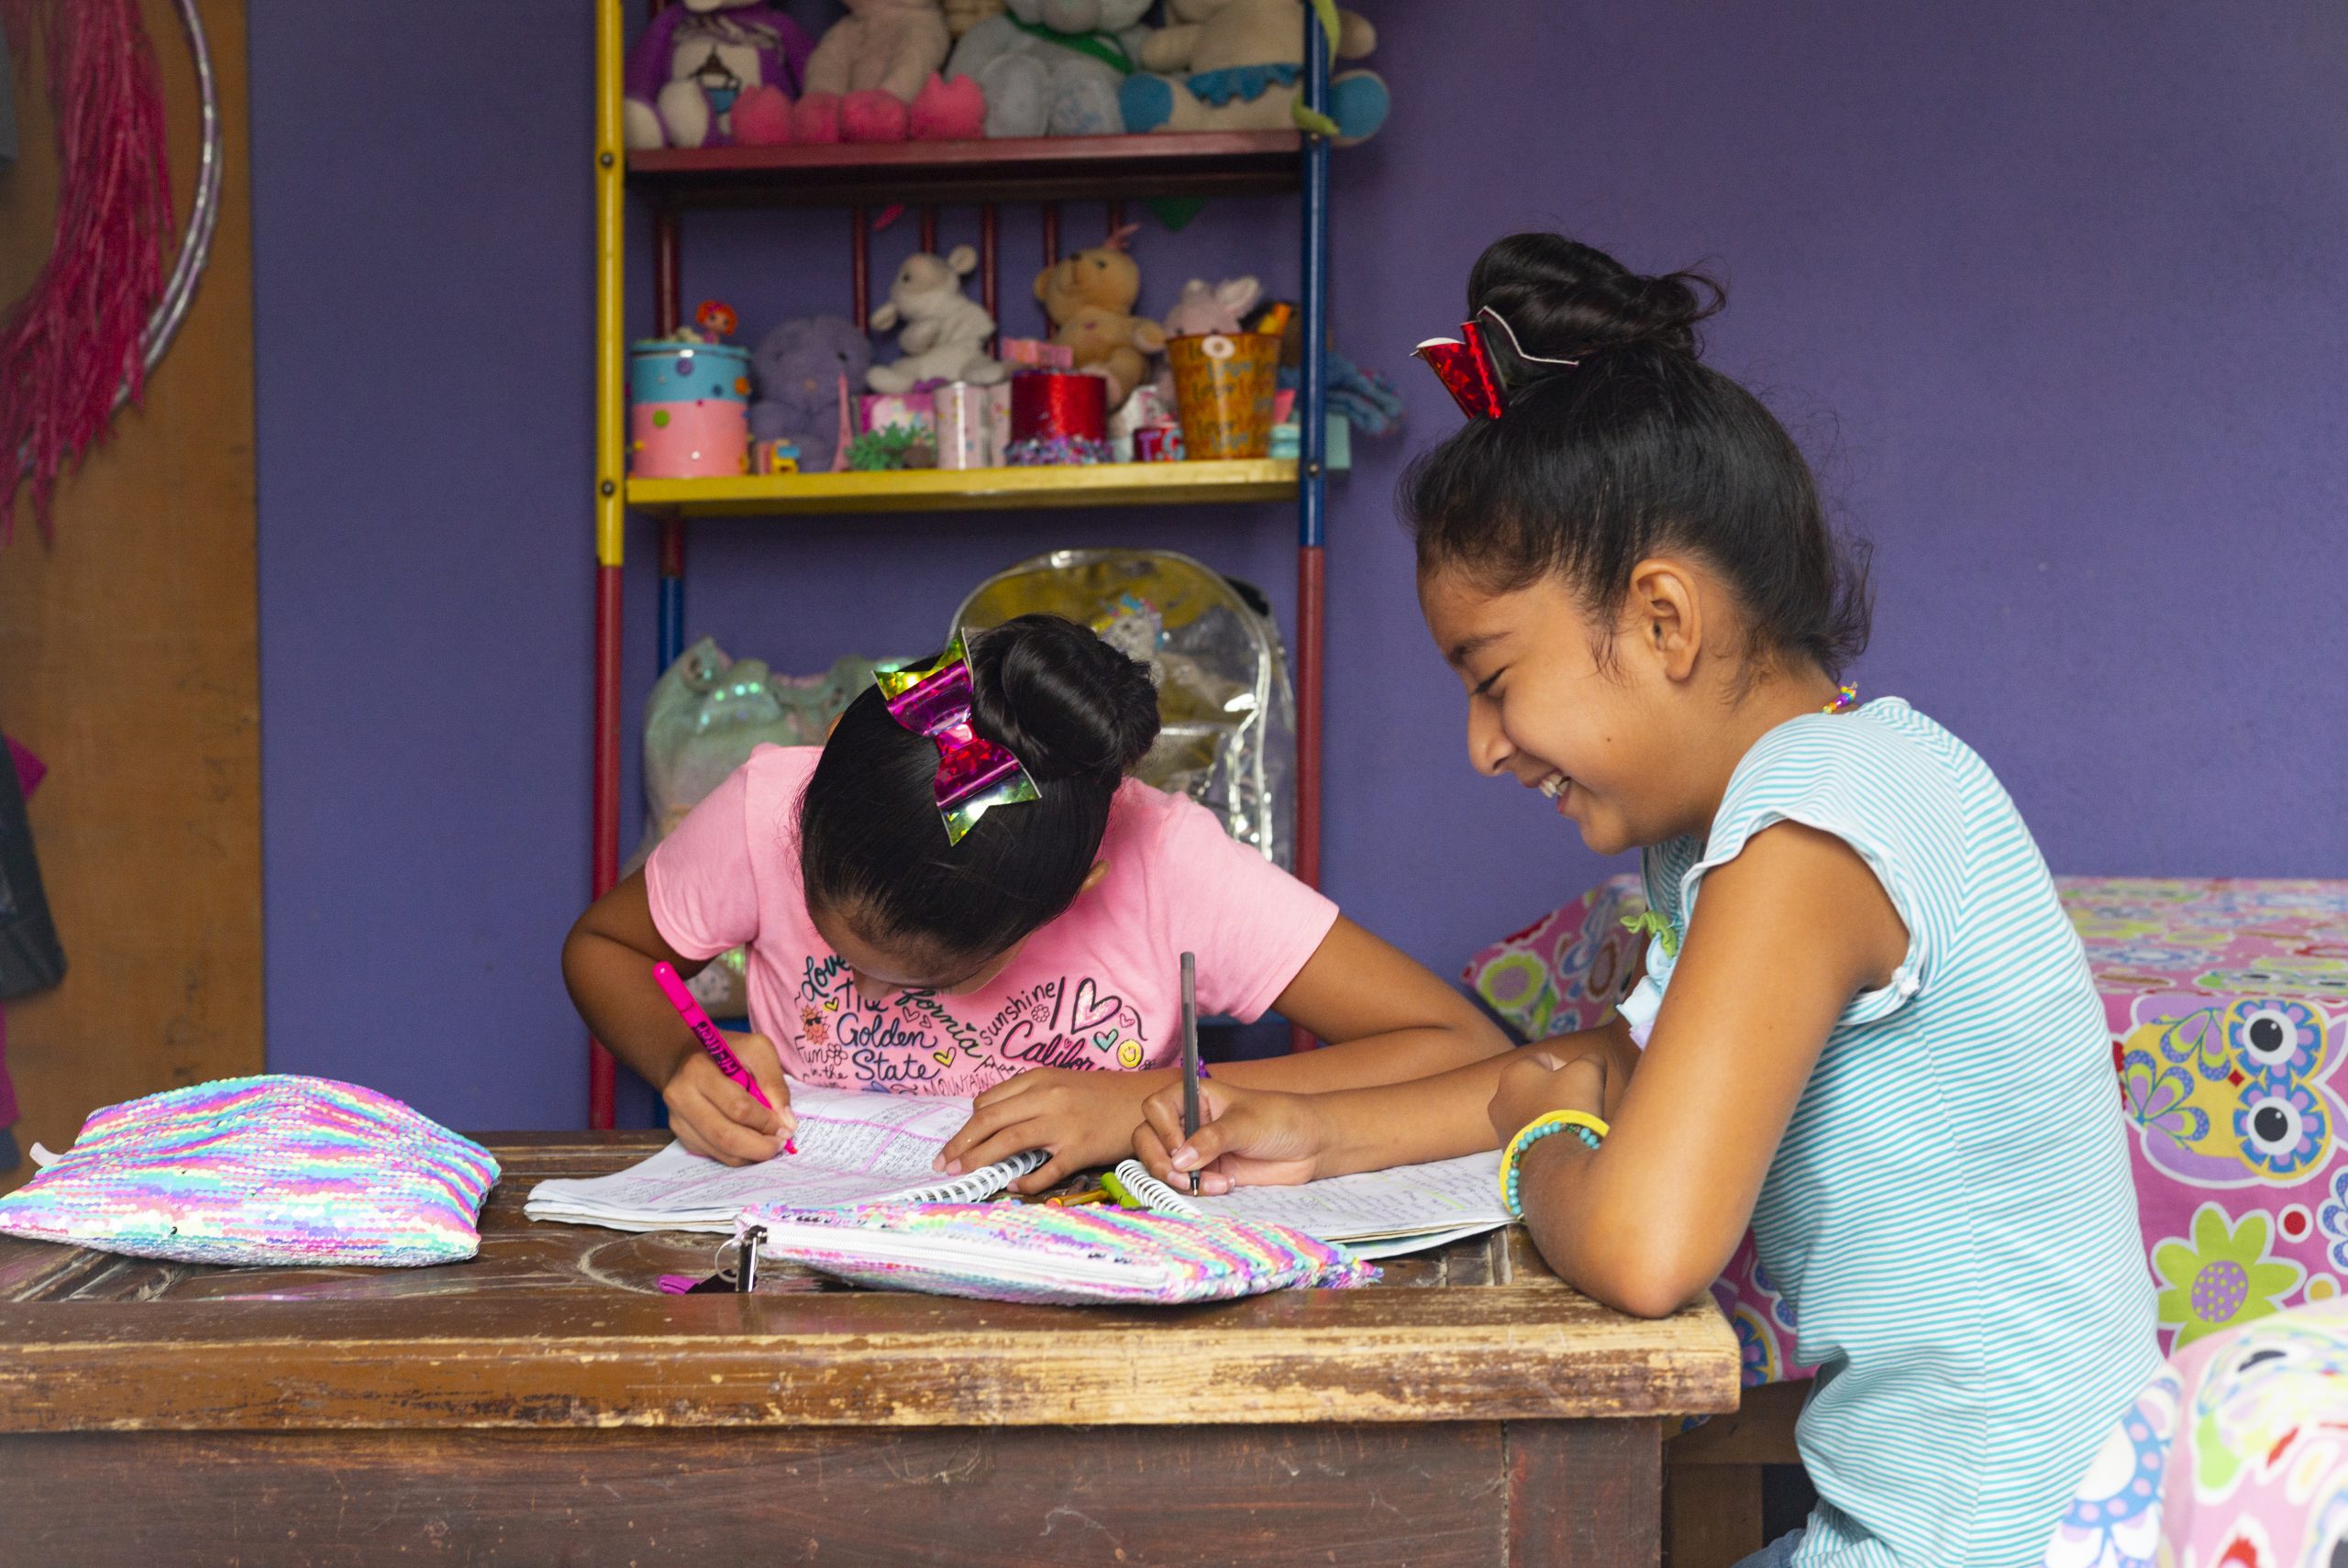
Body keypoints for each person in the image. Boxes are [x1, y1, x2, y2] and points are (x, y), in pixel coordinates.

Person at [1132, 234, 2158, 1566]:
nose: (1482, 745)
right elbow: (1626, 1066)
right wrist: (1319, 1137)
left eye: (1492, 677)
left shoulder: (1815, 825)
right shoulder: (1781, 805)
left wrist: (1528, 1126)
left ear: (1665, 620)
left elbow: (1643, 1243)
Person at [563, 612, 1509, 1192]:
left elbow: (1460, 1049)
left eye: (916, 973)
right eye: (835, 946)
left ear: (1078, 885)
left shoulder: (1164, 862)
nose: (872, 992)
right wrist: (687, 1056)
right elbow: (605, 947)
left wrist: (1139, 1101)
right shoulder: (766, 804)